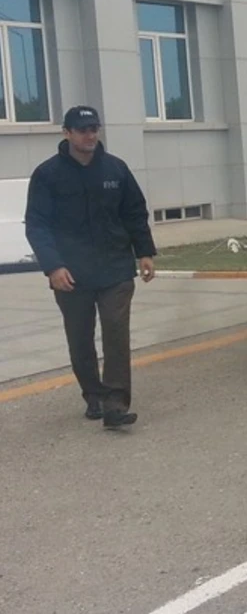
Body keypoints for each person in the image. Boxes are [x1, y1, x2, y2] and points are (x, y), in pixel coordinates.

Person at [24, 105, 156, 429]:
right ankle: (93, 395)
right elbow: (37, 225)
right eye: (83, 129)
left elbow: (135, 212)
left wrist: (145, 252)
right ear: (66, 133)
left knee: (115, 333)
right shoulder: (48, 174)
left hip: (115, 269)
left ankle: (115, 404)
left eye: (94, 128)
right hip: (72, 274)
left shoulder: (115, 169)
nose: (90, 135)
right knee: (80, 338)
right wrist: (53, 267)